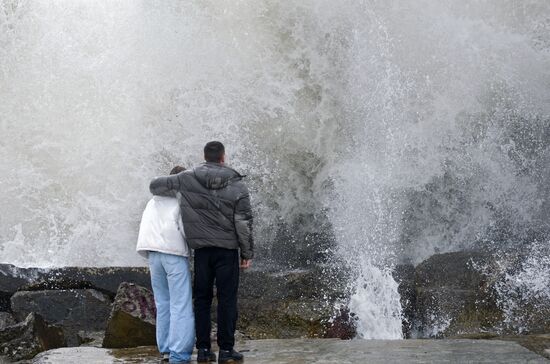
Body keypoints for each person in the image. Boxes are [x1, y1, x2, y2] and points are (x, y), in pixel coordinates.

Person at [149, 141, 254, 364]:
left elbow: (155, 186)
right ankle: (226, 351)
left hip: (203, 253)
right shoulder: (237, 185)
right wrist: (247, 253)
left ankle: (204, 350)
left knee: (202, 300)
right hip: (227, 252)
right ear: (223, 158)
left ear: (205, 157)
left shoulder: (187, 178)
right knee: (227, 300)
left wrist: (178, 186)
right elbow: (243, 222)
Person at [136, 166, 195, 364]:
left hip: (153, 255)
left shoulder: (152, 201)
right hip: (174, 255)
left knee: (163, 304)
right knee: (181, 304)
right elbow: (187, 231)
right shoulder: (180, 200)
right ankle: (179, 354)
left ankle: (166, 350)